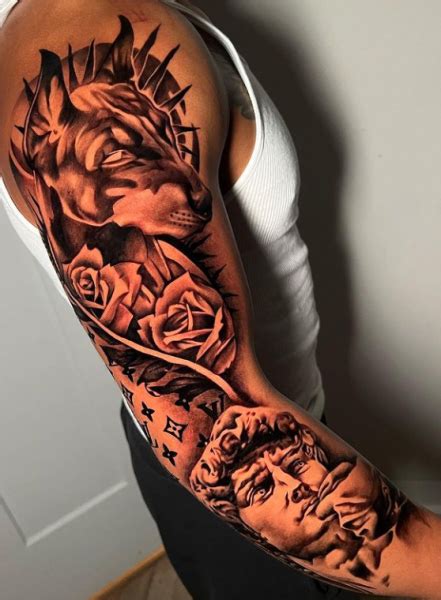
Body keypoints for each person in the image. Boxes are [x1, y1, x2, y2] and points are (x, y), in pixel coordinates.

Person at [0, 1, 439, 598]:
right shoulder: (83, 33)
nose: (189, 195)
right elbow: (211, 429)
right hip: (245, 507)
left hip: (281, 432)